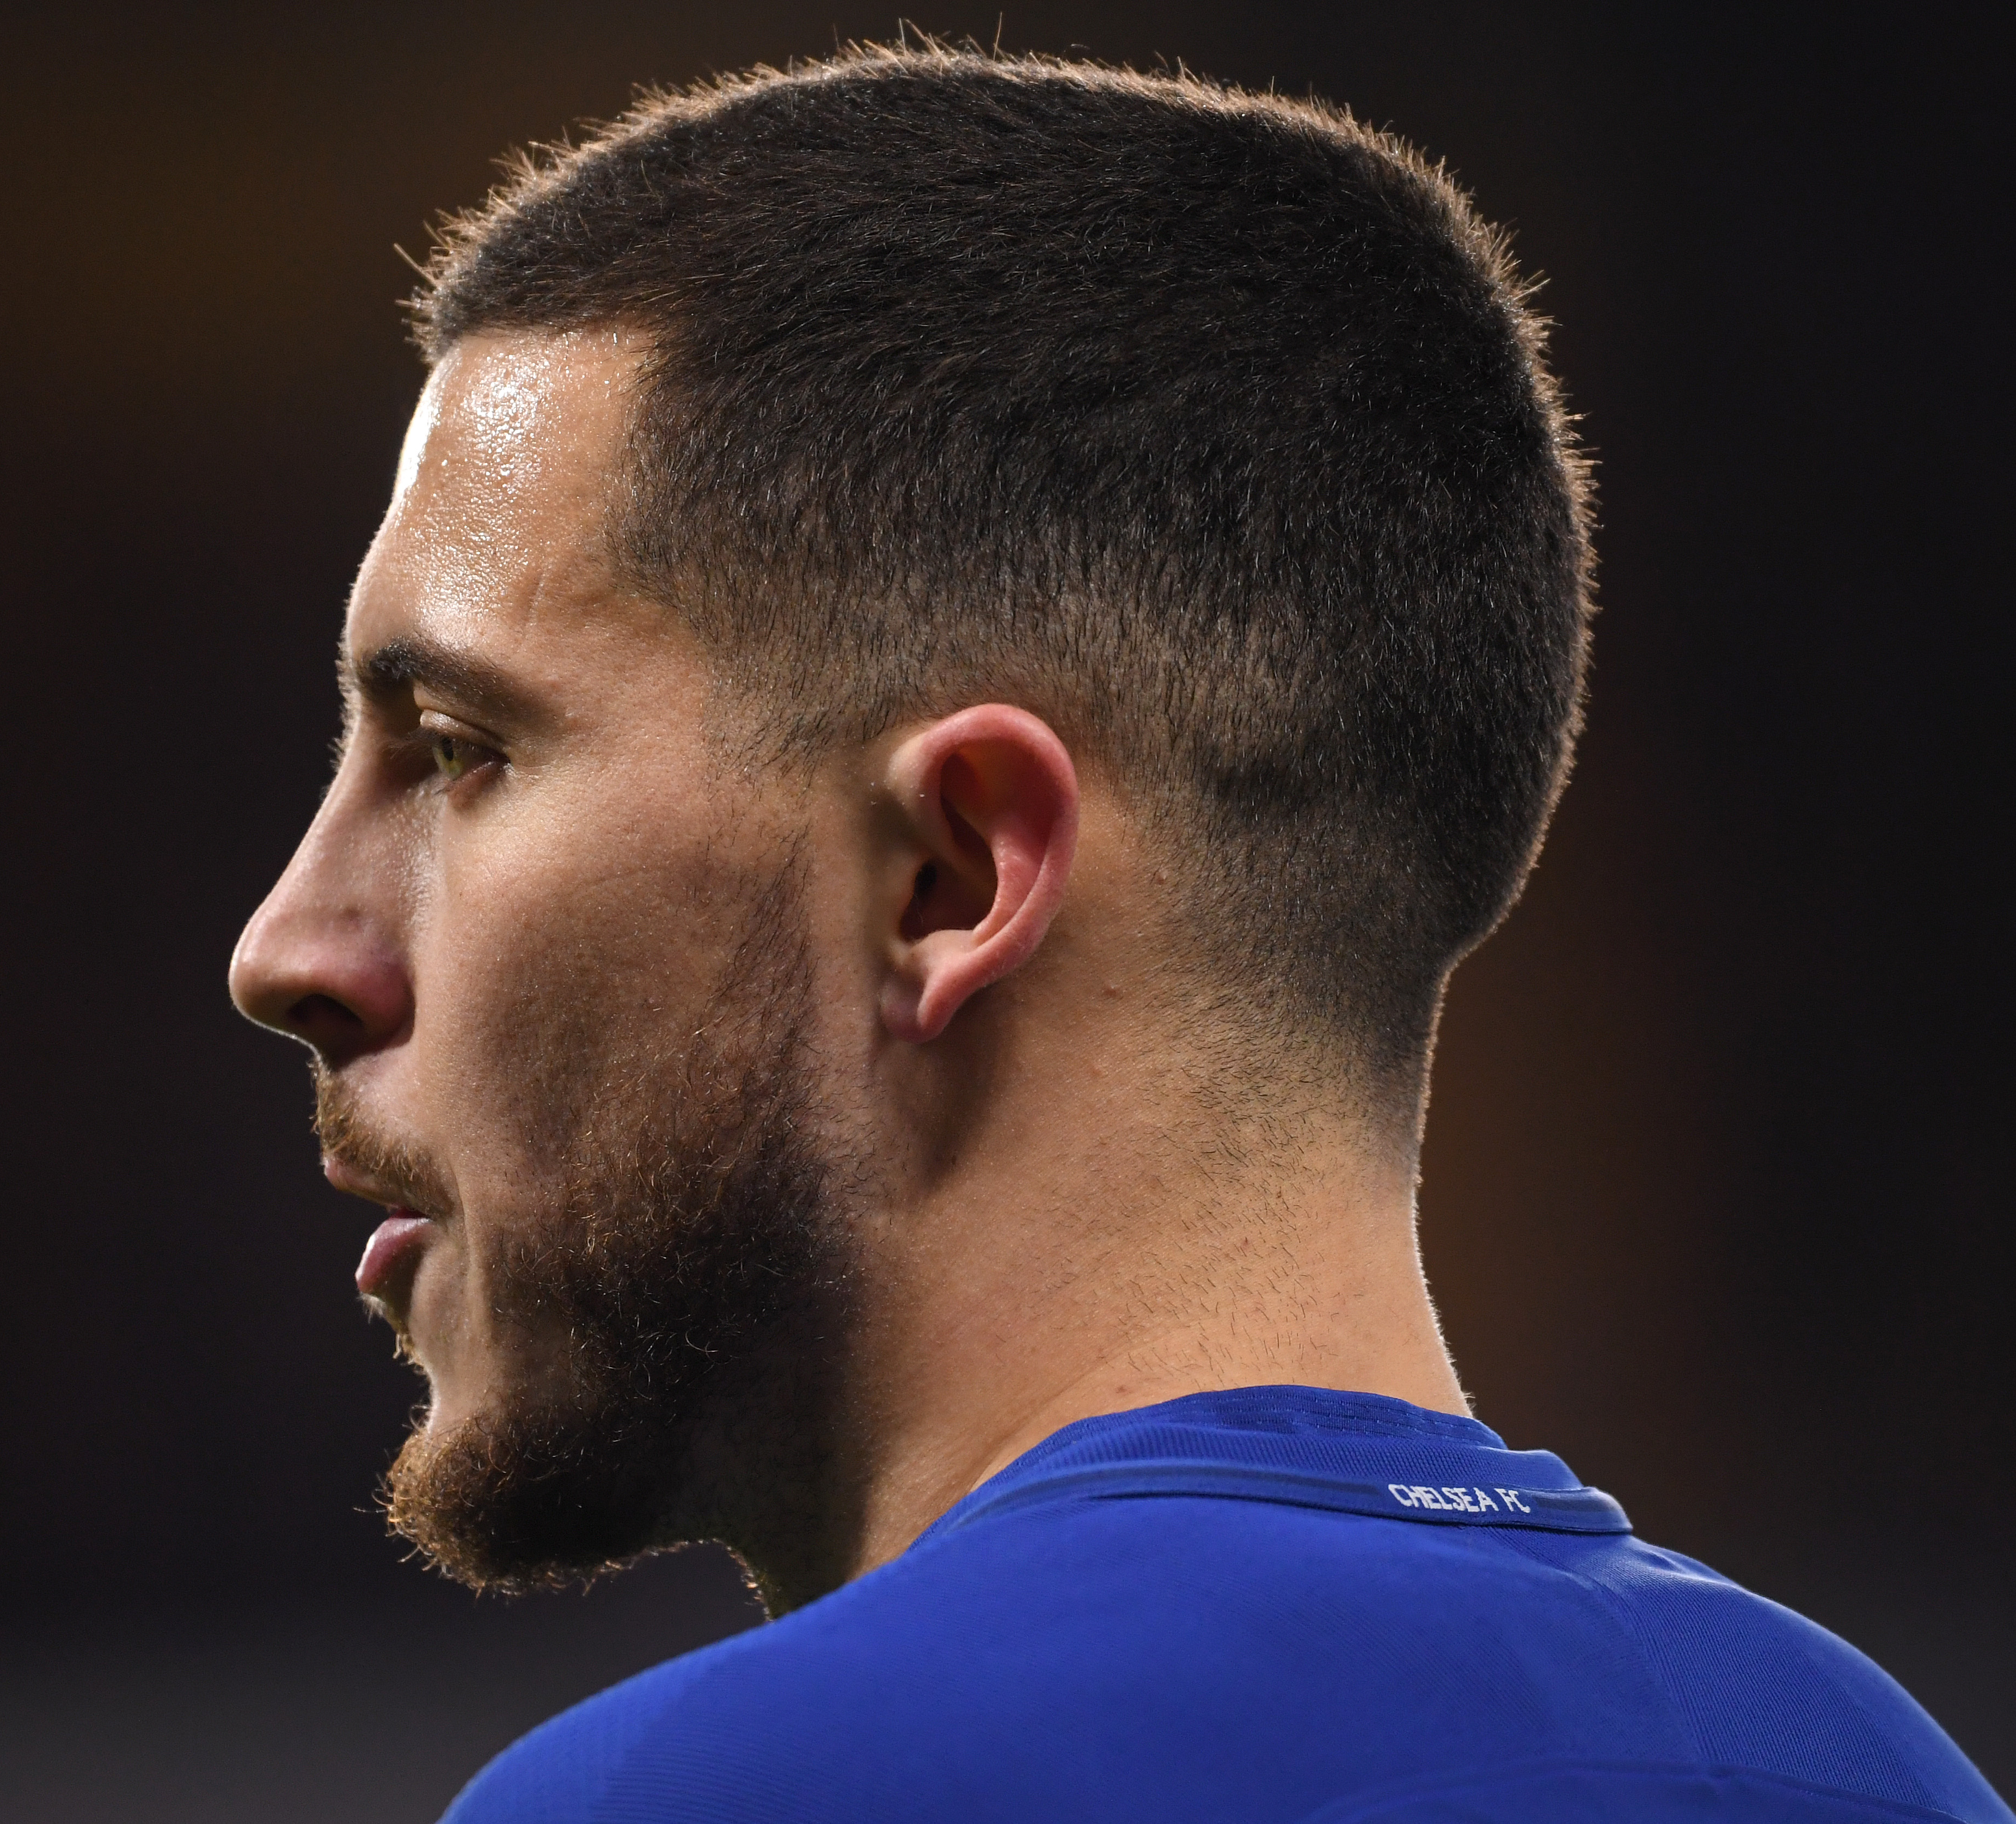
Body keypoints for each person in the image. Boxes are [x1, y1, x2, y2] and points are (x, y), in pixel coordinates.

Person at [226, 44, 2008, 1824]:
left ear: (950, 876)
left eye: (461, 753)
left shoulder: (718, 1794)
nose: (289, 946)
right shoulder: (1868, 1773)